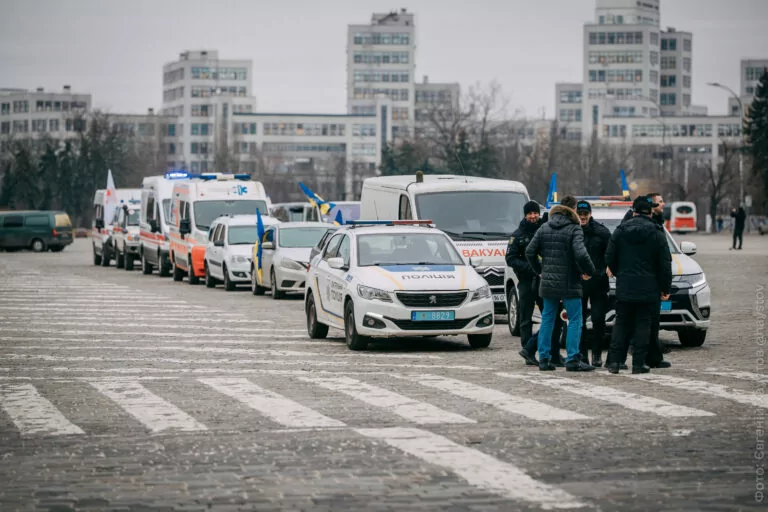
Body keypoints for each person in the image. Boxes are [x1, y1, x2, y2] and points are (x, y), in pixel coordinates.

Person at [526, 195, 596, 372]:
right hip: (570, 281)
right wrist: (589, 271)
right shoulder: (574, 229)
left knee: (548, 319)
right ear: (573, 209)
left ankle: (544, 358)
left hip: (548, 282)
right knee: (575, 319)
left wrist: (540, 270)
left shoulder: (544, 227)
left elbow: (530, 251)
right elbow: (580, 254)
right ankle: (573, 359)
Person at [606, 196, 672, 374]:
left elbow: (609, 257)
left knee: (621, 323)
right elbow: (665, 264)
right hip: (648, 288)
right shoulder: (657, 232)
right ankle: (638, 363)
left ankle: (614, 363)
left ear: (633, 211)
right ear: (650, 212)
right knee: (643, 324)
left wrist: (619, 272)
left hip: (625, 286)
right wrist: (665, 288)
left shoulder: (620, 231)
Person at [575, 200, 611, 367]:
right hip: (578, 283)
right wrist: (579, 274)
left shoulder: (601, 232)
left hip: (598, 283)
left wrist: (597, 273)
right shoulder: (572, 231)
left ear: (590, 214)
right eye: (580, 214)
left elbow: (609, 257)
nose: (582, 217)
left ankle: (597, 353)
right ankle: (582, 354)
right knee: (579, 321)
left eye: (585, 214)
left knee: (598, 320)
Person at [506, 201, 544, 349]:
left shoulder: (545, 229)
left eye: (535, 213)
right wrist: (531, 268)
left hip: (544, 281)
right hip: (526, 282)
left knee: (549, 317)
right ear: (525, 215)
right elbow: (510, 258)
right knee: (525, 318)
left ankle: (550, 351)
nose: (533, 216)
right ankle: (528, 351)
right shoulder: (517, 235)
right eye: (530, 213)